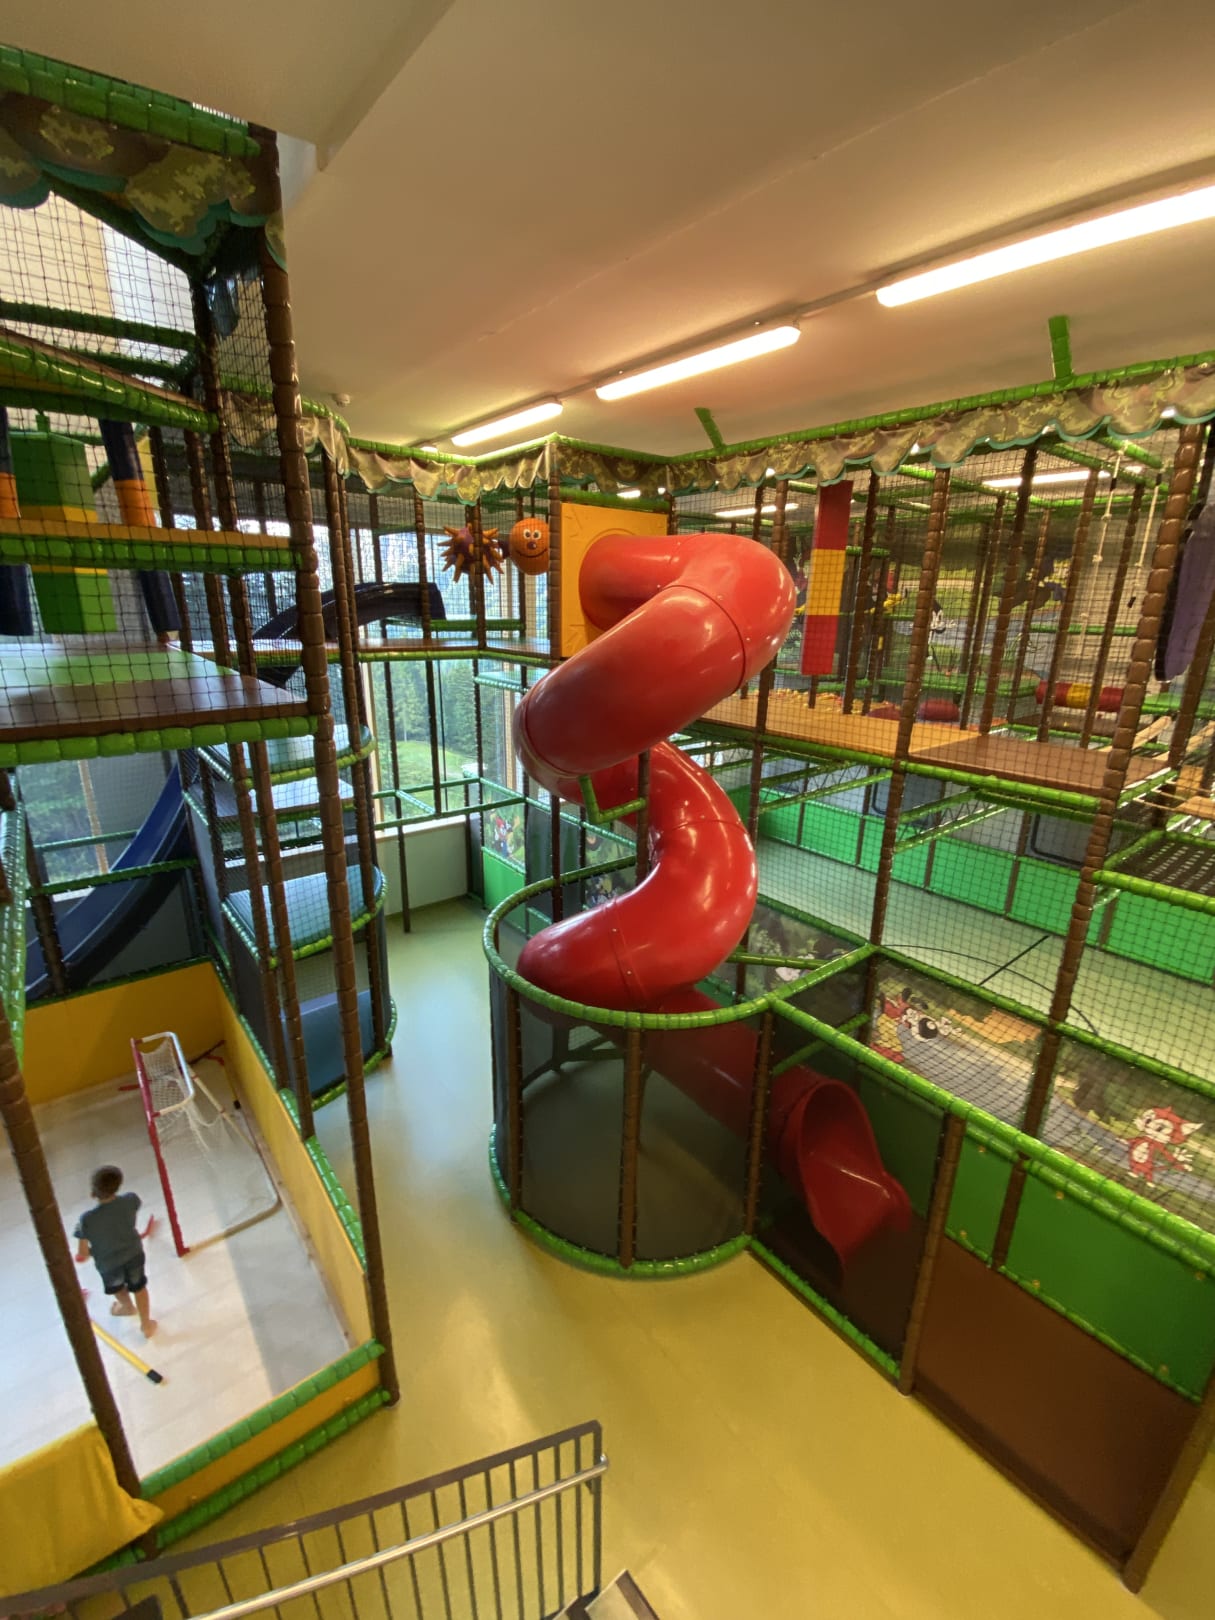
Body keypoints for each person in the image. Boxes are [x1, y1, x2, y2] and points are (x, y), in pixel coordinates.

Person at [74, 1165, 156, 1337]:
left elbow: (83, 1253)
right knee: (139, 1287)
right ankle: (146, 1325)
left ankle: (127, 1307)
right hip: (134, 1255)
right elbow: (133, 1207)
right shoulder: (131, 1200)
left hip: (108, 1264)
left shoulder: (86, 1220)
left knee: (117, 1288)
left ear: (93, 1192)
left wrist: (94, 1249)